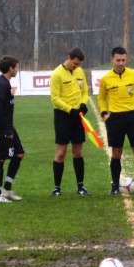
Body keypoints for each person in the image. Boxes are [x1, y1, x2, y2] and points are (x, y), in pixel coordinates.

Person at [98, 46, 134, 195]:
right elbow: (101, 97)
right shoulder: (106, 79)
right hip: (115, 118)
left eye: (123, 60)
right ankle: (115, 187)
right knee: (116, 152)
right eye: (118, 60)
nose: (121, 63)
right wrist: (104, 114)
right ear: (112, 60)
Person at [49, 47, 89, 196]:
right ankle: (56, 188)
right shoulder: (57, 74)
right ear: (69, 58)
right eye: (75, 63)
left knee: (78, 151)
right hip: (63, 116)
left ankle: (80, 186)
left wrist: (83, 104)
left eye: (79, 64)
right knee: (61, 152)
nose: (77, 66)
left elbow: (84, 91)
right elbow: (55, 99)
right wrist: (69, 109)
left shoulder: (80, 72)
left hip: (78, 116)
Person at [0, 55, 24, 203]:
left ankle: (7, 189)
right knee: (0, 158)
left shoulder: (4, 82)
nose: (18, 69)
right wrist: (6, 131)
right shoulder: (3, 85)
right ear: (11, 68)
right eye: (17, 67)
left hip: (8, 126)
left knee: (19, 153)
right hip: (1, 128)